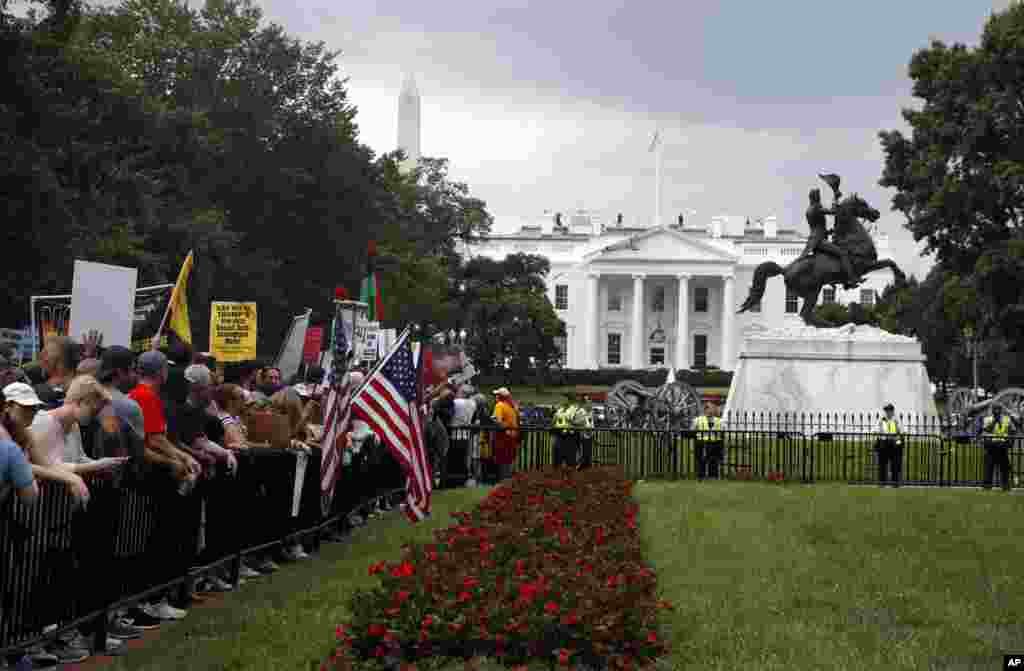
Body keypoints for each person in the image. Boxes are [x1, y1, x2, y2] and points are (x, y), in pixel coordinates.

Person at [800, 187, 858, 290]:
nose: (820, 198)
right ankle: (851, 280)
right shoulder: (816, 208)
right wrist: (835, 197)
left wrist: (828, 232)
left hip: (814, 240)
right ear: (816, 197)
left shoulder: (809, 210)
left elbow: (817, 227)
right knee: (842, 253)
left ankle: (835, 278)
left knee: (832, 257)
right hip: (819, 241)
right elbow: (833, 211)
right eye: (819, 196)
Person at [978, 404, 1019, 491]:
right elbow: (985, 430)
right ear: (992, 410)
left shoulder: (1007, 419)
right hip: (991, 446)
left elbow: (1013, 430)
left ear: (1001, 410)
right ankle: (987, 486)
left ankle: (1005, 485)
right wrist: (994, 422)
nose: (996, 411)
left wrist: (1011, 441)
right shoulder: (987, 419)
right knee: (988, 467)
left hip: (1002, 446)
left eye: (998, 410)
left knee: (1004, 468)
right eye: (995, 410)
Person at [491, 388, 520, 481]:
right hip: (512, 436)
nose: (495, 397)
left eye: (497, 395)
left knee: (501, 459)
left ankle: (502, 480)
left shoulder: (499, 405)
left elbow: (498, 421)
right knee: (509, 459)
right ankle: (508, 480)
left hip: (503, 435)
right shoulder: (512, 407)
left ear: (501, 397)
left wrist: (492, 420)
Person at [551, 392, 588, 467]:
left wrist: (571, 423)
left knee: (570, 462)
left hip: (571, 438)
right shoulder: (559, 410)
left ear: (569, 400)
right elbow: (554, 421)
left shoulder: (577, 410)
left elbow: (581, 423)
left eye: (564, 399)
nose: (561, 401)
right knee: (557, 461)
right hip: (558, 437)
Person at [692, 400, 724, 480]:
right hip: (701, 443)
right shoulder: (698, 420)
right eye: (709, 408)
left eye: (713, 408)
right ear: (705, 410)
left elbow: (722, 432)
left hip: (715, 443)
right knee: (701, 459)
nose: (711, 410)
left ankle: (713, 475)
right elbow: (692, 431)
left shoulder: (719, 421)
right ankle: (701, 475)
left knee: (713, 459)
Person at [875, 403, 904, 487]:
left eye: (889, 410)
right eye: (886, 410)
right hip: (884, 443)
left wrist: (898, 442)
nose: (887, 412)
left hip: (894, 443)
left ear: (892, 411)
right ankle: (881, 482)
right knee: (882, 464)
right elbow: (877, 430)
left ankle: (895, 483)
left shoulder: (896, 420)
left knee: (895, 464)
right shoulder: (881, 420)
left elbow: (901, 431)